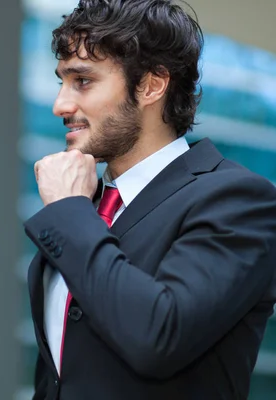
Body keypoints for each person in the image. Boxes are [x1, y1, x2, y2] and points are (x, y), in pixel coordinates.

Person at [26, 0, 276, 399]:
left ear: (151, 85)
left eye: (83, 81)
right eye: (61, 81)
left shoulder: (239, 201)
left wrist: (69, 213)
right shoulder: (84, 203)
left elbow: (159, 335)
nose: (61, 104)